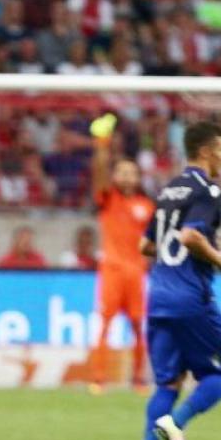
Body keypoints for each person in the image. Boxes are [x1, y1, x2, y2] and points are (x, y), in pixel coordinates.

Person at [135, 122, 221, 440]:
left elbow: (145, 245)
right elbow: (191, 236)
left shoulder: (169, 190)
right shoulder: (208, 189)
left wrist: (176, 256)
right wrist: (220, 258)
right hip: (190, 296)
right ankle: (175, 423)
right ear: (206, 152)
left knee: (169, 382)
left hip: (158, 295)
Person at [87, 114, 155, 394]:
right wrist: (102, 144)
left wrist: (149, 258)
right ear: (115, 176)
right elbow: (99, 171)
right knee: (104, 324)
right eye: (122, 172)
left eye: (131, 172)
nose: (127, 176)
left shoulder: (147, 206)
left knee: (139, 327)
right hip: (112, 271)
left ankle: (138, 378)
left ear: (138, 177)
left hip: (136, 273)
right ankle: (98, 379)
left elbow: (152, 241)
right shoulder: (108, 199)